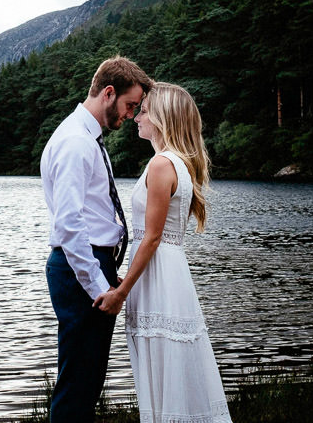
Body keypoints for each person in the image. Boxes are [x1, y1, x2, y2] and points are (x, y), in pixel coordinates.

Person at [93, 82, 233, 423]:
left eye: (144, 111)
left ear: (162, 118)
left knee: (162, 363)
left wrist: (121, 291)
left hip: (159, 276)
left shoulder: (161, 165)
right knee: (169, 364)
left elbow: (152, 238)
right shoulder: (178, 163)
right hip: (166, 273)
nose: (137, 116)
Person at [41, 56, 153, 422]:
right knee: (78, 383)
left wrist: (107, 274)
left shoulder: (84, 136)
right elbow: (70, 224)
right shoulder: (76, 142)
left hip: (88, 265)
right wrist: (97, 287)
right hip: (80, 270)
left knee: (85, 381)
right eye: (129, 105)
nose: (130, 114)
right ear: (108, 93)